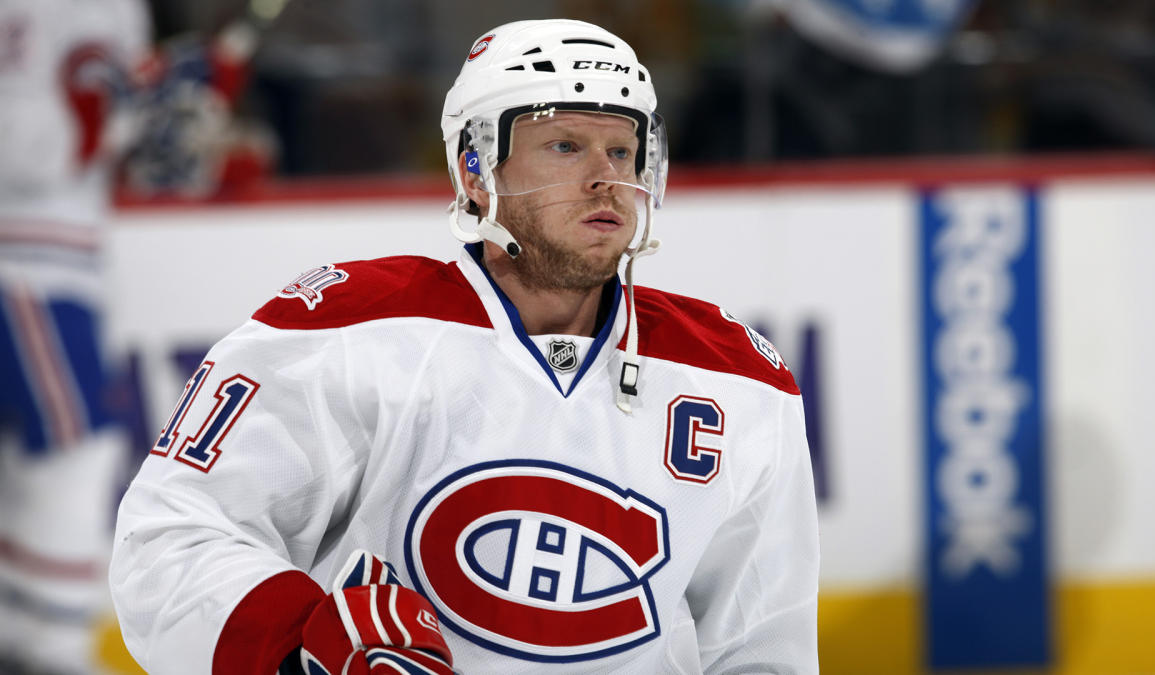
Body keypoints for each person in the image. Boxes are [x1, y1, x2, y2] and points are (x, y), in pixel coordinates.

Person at [110, 18, 820, 674]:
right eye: (566, 145)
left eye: (622, 149)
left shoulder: (739, 380)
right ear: (477, 172)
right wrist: (298, 647)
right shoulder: (345, 333)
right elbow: (171, 537)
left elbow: (762, 644)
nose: (607, 176)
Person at [0, 0, 151, 672]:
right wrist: (102, 126)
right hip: (25, 255)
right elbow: (17, 133)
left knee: (37, 455)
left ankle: (25, 630)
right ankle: (48, 646)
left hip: (61, 255)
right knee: (75, 445)